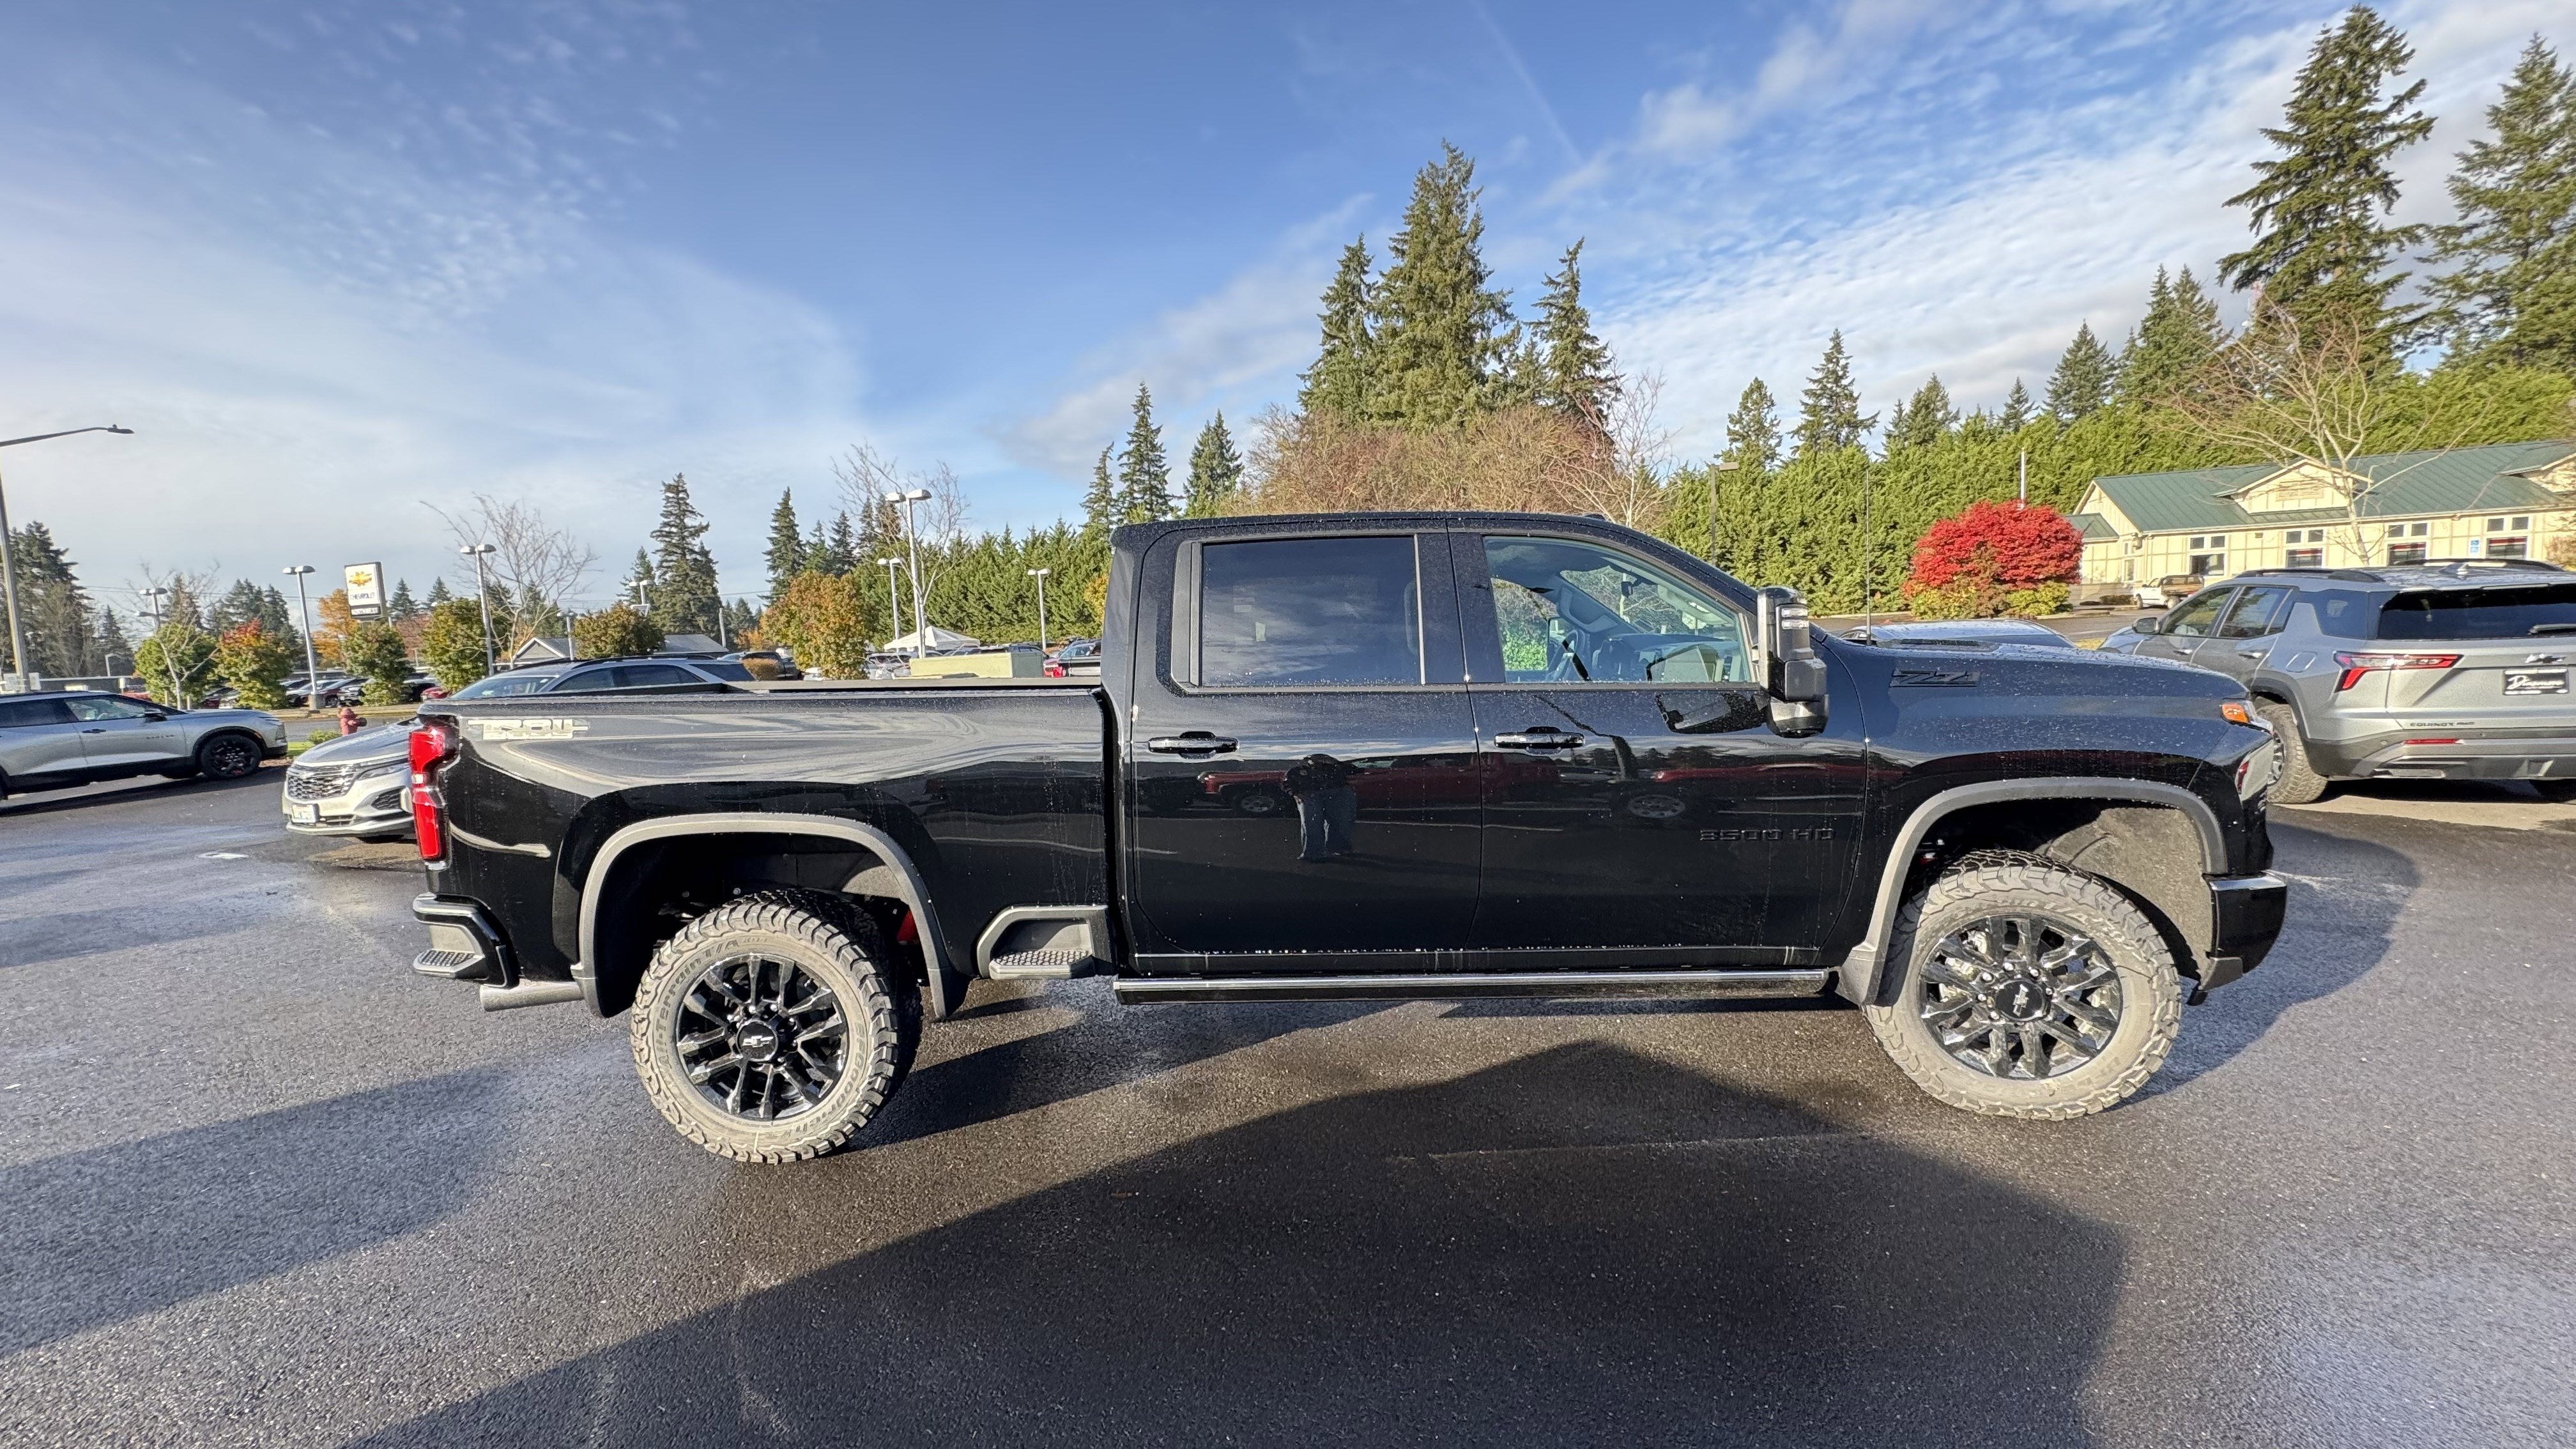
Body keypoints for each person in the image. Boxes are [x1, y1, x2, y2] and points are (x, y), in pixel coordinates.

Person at [1284, 753, 1359, 862]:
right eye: (1314, 760)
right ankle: (1313, 854)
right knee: (1312, 823)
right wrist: (1295, 794)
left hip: (1335, 793)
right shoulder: (1298, 770)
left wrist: (1334, 762)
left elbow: (1354, 770)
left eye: (1322, 760)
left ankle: (1338, 848)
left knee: (1340, 821)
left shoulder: (1335, 769)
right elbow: (1287, 783)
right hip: (1309, 795)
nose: (1318, 762)